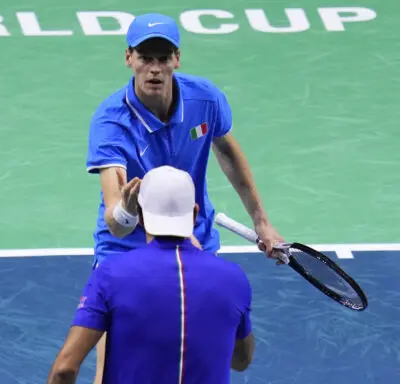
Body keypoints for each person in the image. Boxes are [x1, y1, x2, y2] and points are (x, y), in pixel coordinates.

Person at [85, 12, 284, 383]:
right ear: (129, 58)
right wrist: (129, 211)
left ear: (177, 58)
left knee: (206, 359)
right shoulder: (111, 122)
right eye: (146, 58)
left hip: (193, 238)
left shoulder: (205, 100)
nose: (155, 69)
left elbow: (227, 153)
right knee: (108, 370)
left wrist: (262, 221)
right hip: (126, 250)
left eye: (163, 58)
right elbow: (116, 222)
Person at [47, 166, 255, 384]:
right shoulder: (233, 279)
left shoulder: (111, 275)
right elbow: (241, 360)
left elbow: (65, 370)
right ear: (194, 214)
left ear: (141, 218)